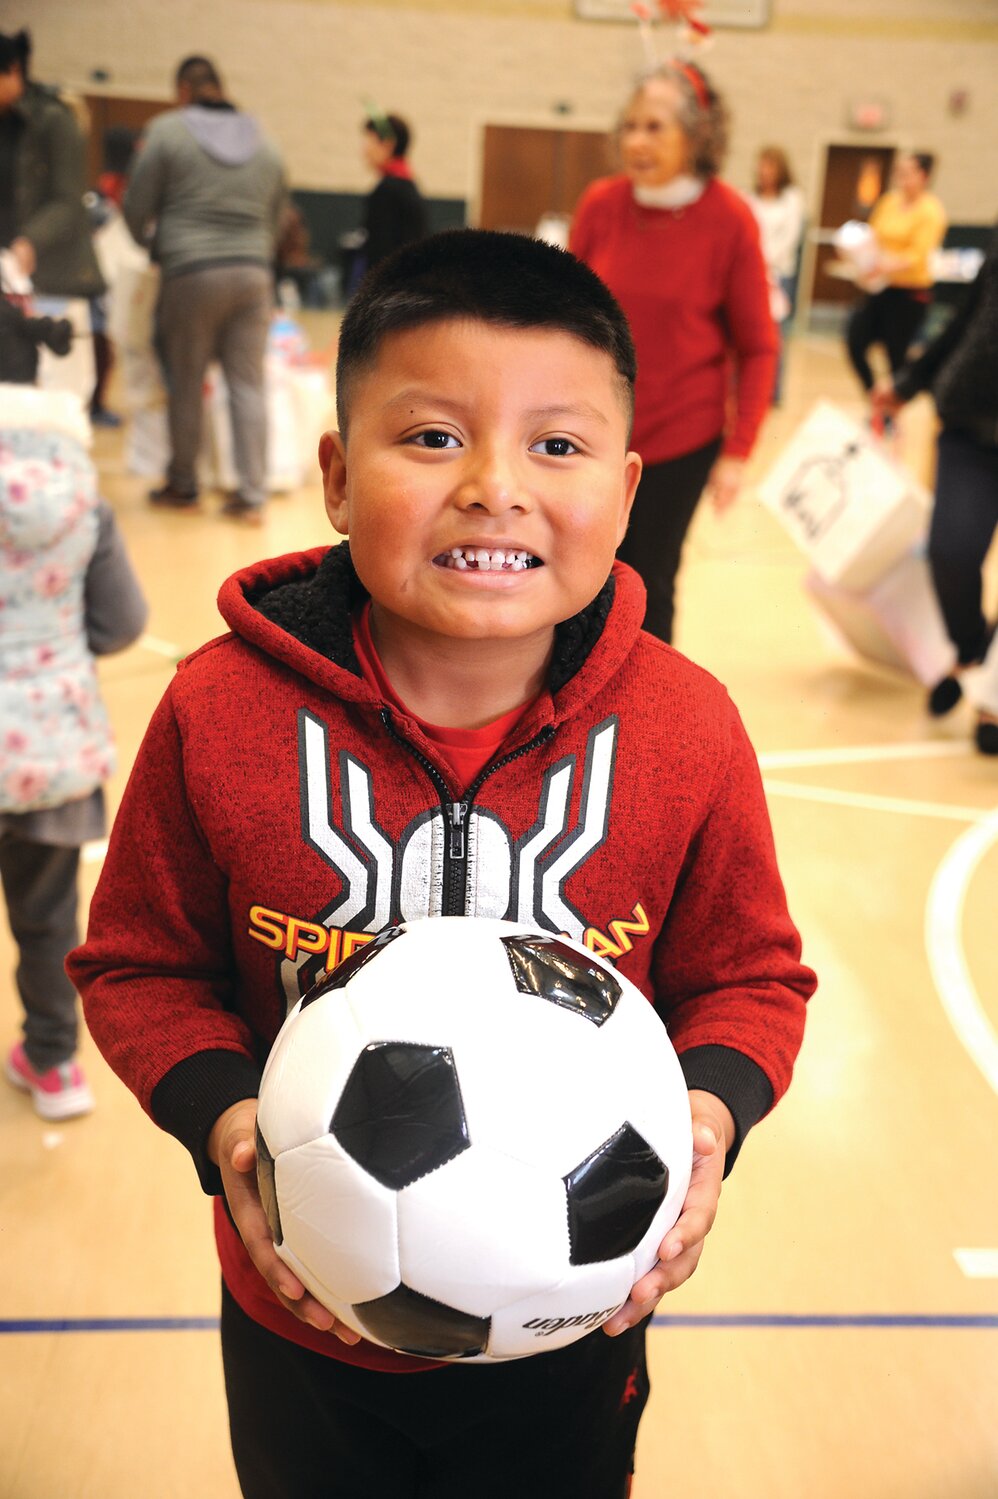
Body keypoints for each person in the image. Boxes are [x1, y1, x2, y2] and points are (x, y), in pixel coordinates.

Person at [68, 229, 815, 1499]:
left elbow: (750, 972)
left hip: (578, 1318)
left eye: (556, 445)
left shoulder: (686, 727)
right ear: (335, 475)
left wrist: (708, 1110)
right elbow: (137, 958)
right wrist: (226, 1118)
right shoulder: (217, 713)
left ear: (627, 496)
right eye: (430, 438)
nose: (493, 487)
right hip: (297, 1304)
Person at [1, 292, 147, 1121]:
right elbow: (121, 623)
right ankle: (55, 1063)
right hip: (50, 750)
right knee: (49, 915)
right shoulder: (79, 498)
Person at [569, 62, 777, 644]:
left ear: (698, 135)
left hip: (682, 434)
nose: (636, 141)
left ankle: (647, 715)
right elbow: (566, 313)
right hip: (594, 430)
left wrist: (739, 451)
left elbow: (759, 346)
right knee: (580, 577)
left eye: (655, 127)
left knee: (648, 580)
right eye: (630, 125)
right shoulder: (601, 204)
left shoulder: (729, 220)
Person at [122, 54, 287, 524]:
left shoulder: (167, 132)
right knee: (247, 384)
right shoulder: (268, 144)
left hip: (190, 271)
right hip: (254, 274)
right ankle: (252, 495)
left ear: (182, 92)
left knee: (187, 381)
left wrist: (155, 248)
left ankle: (185, 485)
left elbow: (136, 207)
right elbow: (278, 219)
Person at [872, 219, 997, 753]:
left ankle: (991, 701)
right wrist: (906, 385)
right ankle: (974, 649)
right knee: (951, 554)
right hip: (971, 429)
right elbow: (965, 326)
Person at [0, 29, 105, 302]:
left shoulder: (54, 118)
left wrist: (29, 241)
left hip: (56, 277)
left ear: (12, 70)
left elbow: (68, 200)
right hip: (8, 276)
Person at [844, 151, 946, 394]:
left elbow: (918, 255)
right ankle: (874, 395)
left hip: (909, 294)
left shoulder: (930, 211)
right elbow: (873, 235)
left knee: (896, 355)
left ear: (923, 176)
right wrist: (857, 255)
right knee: (855, 340)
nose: (901, 178)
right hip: (881, 287)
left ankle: (894, 407)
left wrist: (886, 265)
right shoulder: (890, 201)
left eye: (907, 173)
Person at [745, 145, 805, 405]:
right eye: (761, 165)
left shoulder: (792, 198)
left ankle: (773, 393)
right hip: (751, 273)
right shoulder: (748, 198)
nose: (764, 171)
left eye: (769, 166)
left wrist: (763, 263)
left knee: (775, 335)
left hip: (779, 275)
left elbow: (789, 239)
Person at [360, 110, 428, 274]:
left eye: (370, 141)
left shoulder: (387, 190)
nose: (364, 150)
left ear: (388, 144)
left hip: (389, 288)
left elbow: (381, 253)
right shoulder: (409, 184)